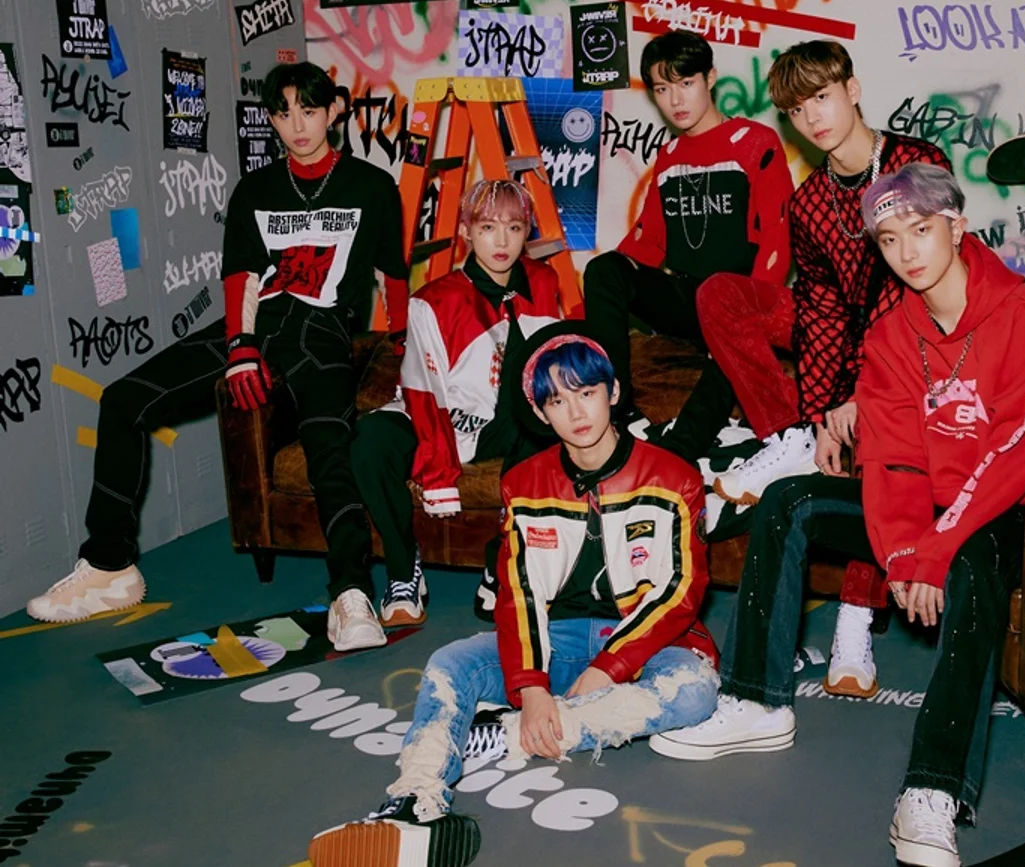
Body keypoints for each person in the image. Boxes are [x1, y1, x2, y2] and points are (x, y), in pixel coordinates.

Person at [654, 164, 1025, 867]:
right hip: (936, 507)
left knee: (974, 561)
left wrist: (936, 551)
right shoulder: (892, 336)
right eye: (889, 240)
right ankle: (757, 701)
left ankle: (933, 790)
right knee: (788, 501)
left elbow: (1014, 453)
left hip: (1020, 507)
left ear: (957, 227)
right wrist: (908, 551)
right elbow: (892, 461)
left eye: (921, 231)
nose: (907, 252)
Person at [26, 62, 409, 653]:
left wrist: (403, 353)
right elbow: (241, 276)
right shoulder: (255, 190)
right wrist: (240, 348)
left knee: (328, 446)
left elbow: (392, 275)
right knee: (123, 400)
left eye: (309, 111)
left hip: (322, 332)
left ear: (333, 111)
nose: (297, 126)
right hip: (257, 325)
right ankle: (109, 567)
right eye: (283, 113)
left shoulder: (371, 185)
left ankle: (352, 595)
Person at [308, 327, 719, 867]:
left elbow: (680, 593)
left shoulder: (674, 478)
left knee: (695, 690)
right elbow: (518, 592)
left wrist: (609, 667)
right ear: (541, 413)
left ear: (614, 392)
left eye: (587, 393)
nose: (576, 412)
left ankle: (509, 736)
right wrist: (531, 686)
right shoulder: (525, 483)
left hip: (645, 647)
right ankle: (415, 799)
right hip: (558, 639)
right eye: (557, 401)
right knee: (451, 663)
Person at [705, 40, 954, 697]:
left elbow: (920, 287)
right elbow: (819, 311)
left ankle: (855, 618)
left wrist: (863, 395)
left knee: (882, 438)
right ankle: (787, 437)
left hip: (929, 347)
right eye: (795, 109)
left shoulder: (917, 164)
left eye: (821, 97)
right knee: (722, 296)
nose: (812, 117)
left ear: (853, 89)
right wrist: (818, 414)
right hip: (849, 350)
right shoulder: (811, 201)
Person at [350, 180, 569, 628]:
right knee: (370, 439)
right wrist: (439, 475)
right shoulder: (433, 300)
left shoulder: (544, 283)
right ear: (467, 231)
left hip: (506, 420)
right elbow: (423, 391)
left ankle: (500, 565)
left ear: (527, 231)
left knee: (546, 417)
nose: (502, 241)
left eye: (514, 227)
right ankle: (402, 570)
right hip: (438, 416)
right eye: (488, 227)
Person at [582, 28, 793, 462]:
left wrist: (750, 312)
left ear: (710, 78)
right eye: (663, 89)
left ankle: (677, 455)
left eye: (686, 83)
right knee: (604, 269)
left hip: (739, 302)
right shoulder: (670, 155)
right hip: (687, 299)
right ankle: (616, 409)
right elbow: (646, 241)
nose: (676, 100)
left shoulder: (755, 142)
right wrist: (594, 300)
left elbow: (778, 237)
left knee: (728, 321)